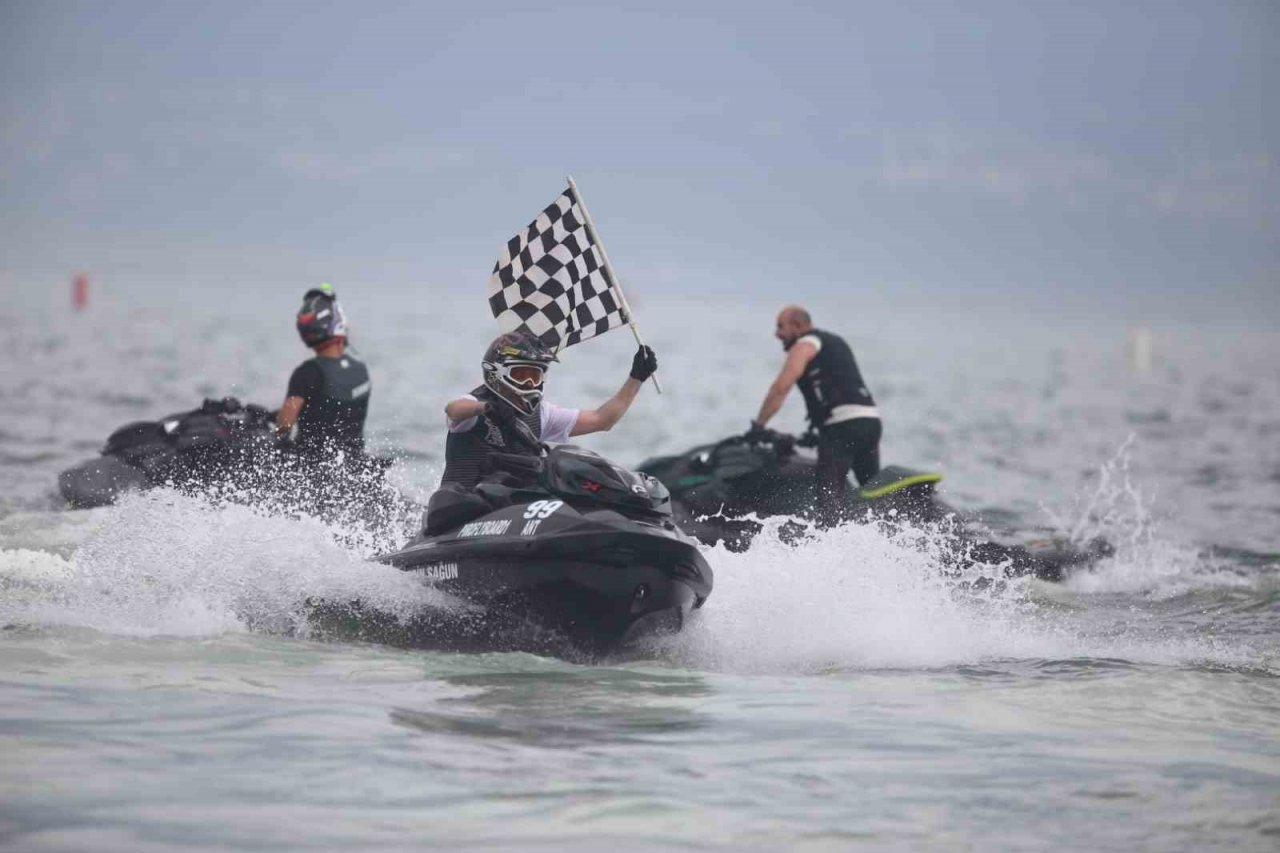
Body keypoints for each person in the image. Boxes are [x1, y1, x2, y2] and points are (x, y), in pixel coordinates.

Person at [439, 331, 658, 491]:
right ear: (496, 373)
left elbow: (603, 419)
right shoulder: (474, 405)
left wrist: (636, 379)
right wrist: (485, 408)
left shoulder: (541, 414)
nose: (529, 383)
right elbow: (454, 409)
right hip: (460, 509)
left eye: (535, 376)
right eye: (521, 374)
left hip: (508, 510)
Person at [749, 305, 881, 521]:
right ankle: (885, 528)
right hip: (869, 422)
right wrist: (817, 432)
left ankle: (833, 538)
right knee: (871, 489)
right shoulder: (834, 342)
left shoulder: (805, 343)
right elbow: (836, 386)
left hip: (843, 427)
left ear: (798, 326)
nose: (776, 334)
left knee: (829, 496)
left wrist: (758, 426)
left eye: (781, 327)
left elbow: (780, 387)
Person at [276, 283, 372, 458]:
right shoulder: (361, 369)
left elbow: (284, 426)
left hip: (311, 466)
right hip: (354, 464)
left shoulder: (307, 372)